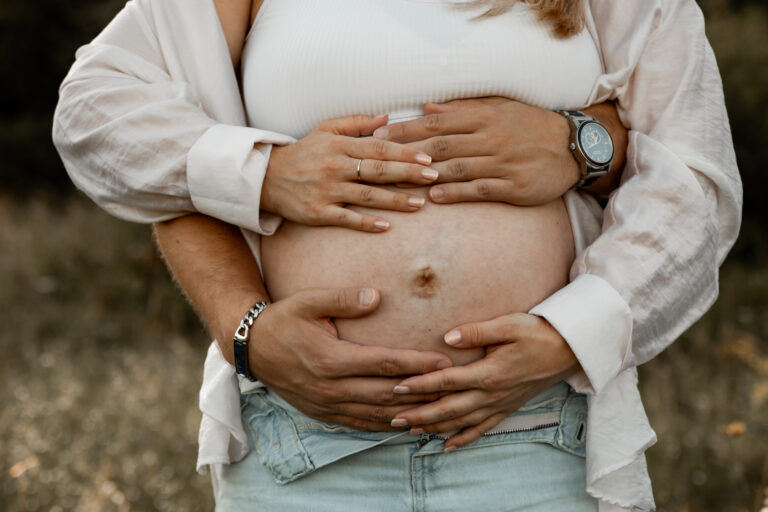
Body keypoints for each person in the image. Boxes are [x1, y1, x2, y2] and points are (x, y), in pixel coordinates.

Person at [52, 0, 742, 510]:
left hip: (537, 437)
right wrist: (265, 173)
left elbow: (694, 177)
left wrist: (574, 332)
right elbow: (95, 111)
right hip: (306, 450)